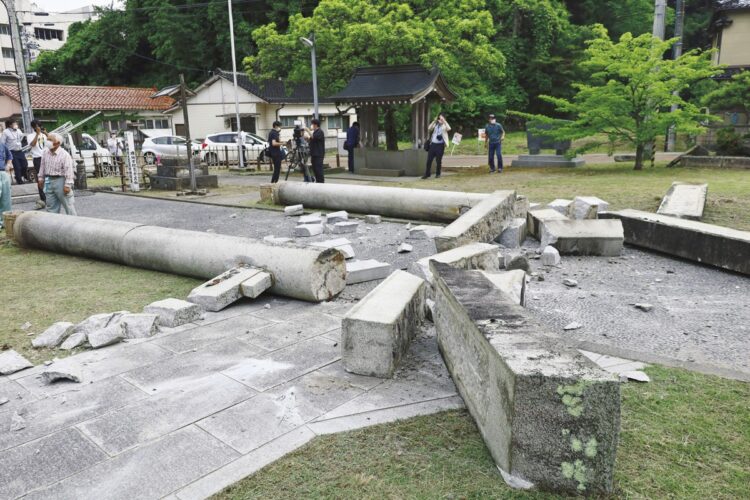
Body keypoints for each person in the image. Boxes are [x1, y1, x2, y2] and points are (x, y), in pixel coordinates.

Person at [37, 132, 77, 215]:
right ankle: (53, 225)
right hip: (49, 180)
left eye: (50, 140)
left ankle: (74, 224)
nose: (47, 141)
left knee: (68, 205)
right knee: (51, 206)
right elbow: (42, 166)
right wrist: (41, 178)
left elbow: (69, 170)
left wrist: (68, 185)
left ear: (57, 143)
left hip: (61, 181)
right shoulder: (45, 152)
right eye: (47, 139)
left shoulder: (64, 155)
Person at [422, 113, 451, 179]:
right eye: (439, 118)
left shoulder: (444, 125)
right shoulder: (435, 124)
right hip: (433, 144)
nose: (440, 119)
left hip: (440, 145)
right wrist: (434, 121)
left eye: (441, 118)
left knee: (438, 160)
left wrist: (444, 121)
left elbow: (449, 128)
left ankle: (438, 174)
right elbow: (429, 128)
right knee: (429, 160)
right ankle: (427, 174)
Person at [27, 120, 47, 208]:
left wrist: (46, 133)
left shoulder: (44, 135)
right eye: (37, 126)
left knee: (49, 177)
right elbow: (33, 144)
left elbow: (53, 141)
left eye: (40, 125)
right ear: (33, 127)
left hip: (47, 158)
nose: (39, 127)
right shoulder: (30, 136)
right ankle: (43, 198)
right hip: (38, 159)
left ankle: (51, 197)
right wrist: (37, 134)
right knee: (40, 178)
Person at [3, 120, 28, 184]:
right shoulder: (6, 132)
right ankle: (19, 180)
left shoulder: (18, 130)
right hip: (12, 151)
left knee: (25, 165)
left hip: (19, 150)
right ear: (10, 125)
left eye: (16, 124)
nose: (16, 125)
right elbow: (2, 143)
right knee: (17, 166)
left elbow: (21, 137)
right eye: (14, 124)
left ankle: (21, 175)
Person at [0, 142, 14, 228]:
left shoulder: (2, 145)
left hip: (3, 172)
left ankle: (5, 223)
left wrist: (8, 165)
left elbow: (9, 156)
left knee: (6, 199)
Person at [309, 118, 325, 183]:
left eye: (312, 124)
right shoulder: (315, 132)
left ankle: (321, 183)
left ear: (315, 125)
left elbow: (313, 137)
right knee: (315, 169)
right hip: (314, 154)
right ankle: (318, 182)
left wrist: (308, 130)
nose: (312, 126)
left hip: (318, 154)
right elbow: (311, 139)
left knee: (318, 170)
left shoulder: (320, 131)